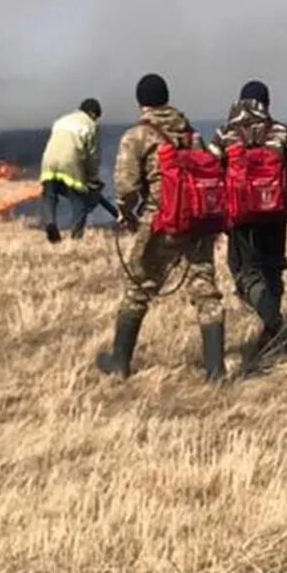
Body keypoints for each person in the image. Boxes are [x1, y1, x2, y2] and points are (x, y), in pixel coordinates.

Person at [99, 73, 226, 381]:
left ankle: (119, 366)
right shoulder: (191, 133)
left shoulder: (138, 136)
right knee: (206, 291)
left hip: (162, 223)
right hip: (197, 222)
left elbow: (127, 186)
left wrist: (125, 214)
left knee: (139, 289)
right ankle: (216, 370)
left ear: (141, 102)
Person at [213, 80, 287, 369]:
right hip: (275, 213)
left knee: (244, 273)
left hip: (240, 218)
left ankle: (273, 321)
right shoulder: (281, 132)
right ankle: (272, 329)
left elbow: (211, 173)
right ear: (266, 102)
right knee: (272, 268)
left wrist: (217, 217)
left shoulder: (226, 134)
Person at [37, 98, 105, 244]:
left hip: (48, 161)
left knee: (49, 194)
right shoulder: (91, 125)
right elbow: (93, 156)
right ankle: (75, 237)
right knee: (80, 201)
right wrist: (93, 180)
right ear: (93, 113)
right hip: (70, 162)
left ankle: (50, 223)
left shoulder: (61, 120)